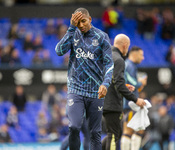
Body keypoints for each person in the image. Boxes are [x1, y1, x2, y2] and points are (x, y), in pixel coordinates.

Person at [55, 7, 114, 150]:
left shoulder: (102, 36)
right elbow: (59, 51)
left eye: (83, 21)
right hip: (76, 90)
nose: (81, 25)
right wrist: (70, 28)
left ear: (90, 19)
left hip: (96, 92)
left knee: (95, 133)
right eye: (77, 22)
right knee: (74, 127)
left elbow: (109, 63)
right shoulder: (73, 33)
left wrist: (105, 84)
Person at [102, 34, 146, 150]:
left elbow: (107, 79)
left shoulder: (105, 56)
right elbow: (118, 84)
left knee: (116, 133)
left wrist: (124, 85)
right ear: (125, 45)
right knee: (114, 135)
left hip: (101, 101)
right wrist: (136, 99)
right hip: (112, 104)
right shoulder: (119, 60)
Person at [121, 46, 147, 150]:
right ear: (134, 54)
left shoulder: (130, 65)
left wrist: (139, 86)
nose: (143, 58)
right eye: (141, 55)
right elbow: (131, 83)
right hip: (129, 104)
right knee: (132, 130)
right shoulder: (129, 65)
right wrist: (141, 82)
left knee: (132, 130)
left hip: (129, 103)